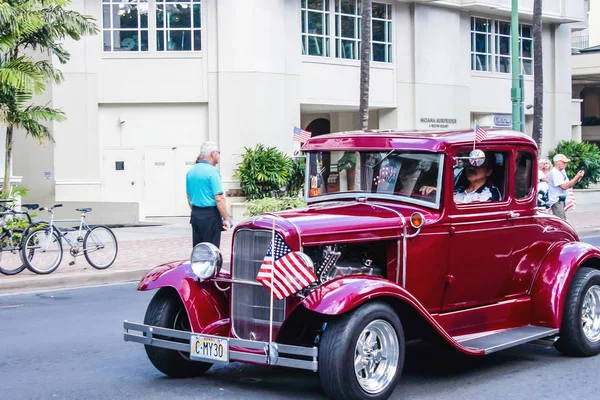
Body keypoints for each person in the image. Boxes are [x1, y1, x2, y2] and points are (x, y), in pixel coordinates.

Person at [186, 142, 230, 248]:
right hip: (210, 216)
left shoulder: (191, 171)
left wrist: (196, 211)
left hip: (196, 214)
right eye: (218, 153)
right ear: (213, 153)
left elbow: (189, 196)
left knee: (198, 248)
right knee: (211, 249)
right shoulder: (213, 172)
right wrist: (225, 218)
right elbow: (219, 198)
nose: (219, 156)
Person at [547, 154, 584, 220]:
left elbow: (568, 184)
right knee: (561, 221)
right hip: (556, 201)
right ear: (557, 162)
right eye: (563, 162)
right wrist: (577, 177)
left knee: (562, 220)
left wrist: (578, 178)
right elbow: (564, 186)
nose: (566, 164)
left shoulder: (561, 171)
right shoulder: (555, 172)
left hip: (560, 200)